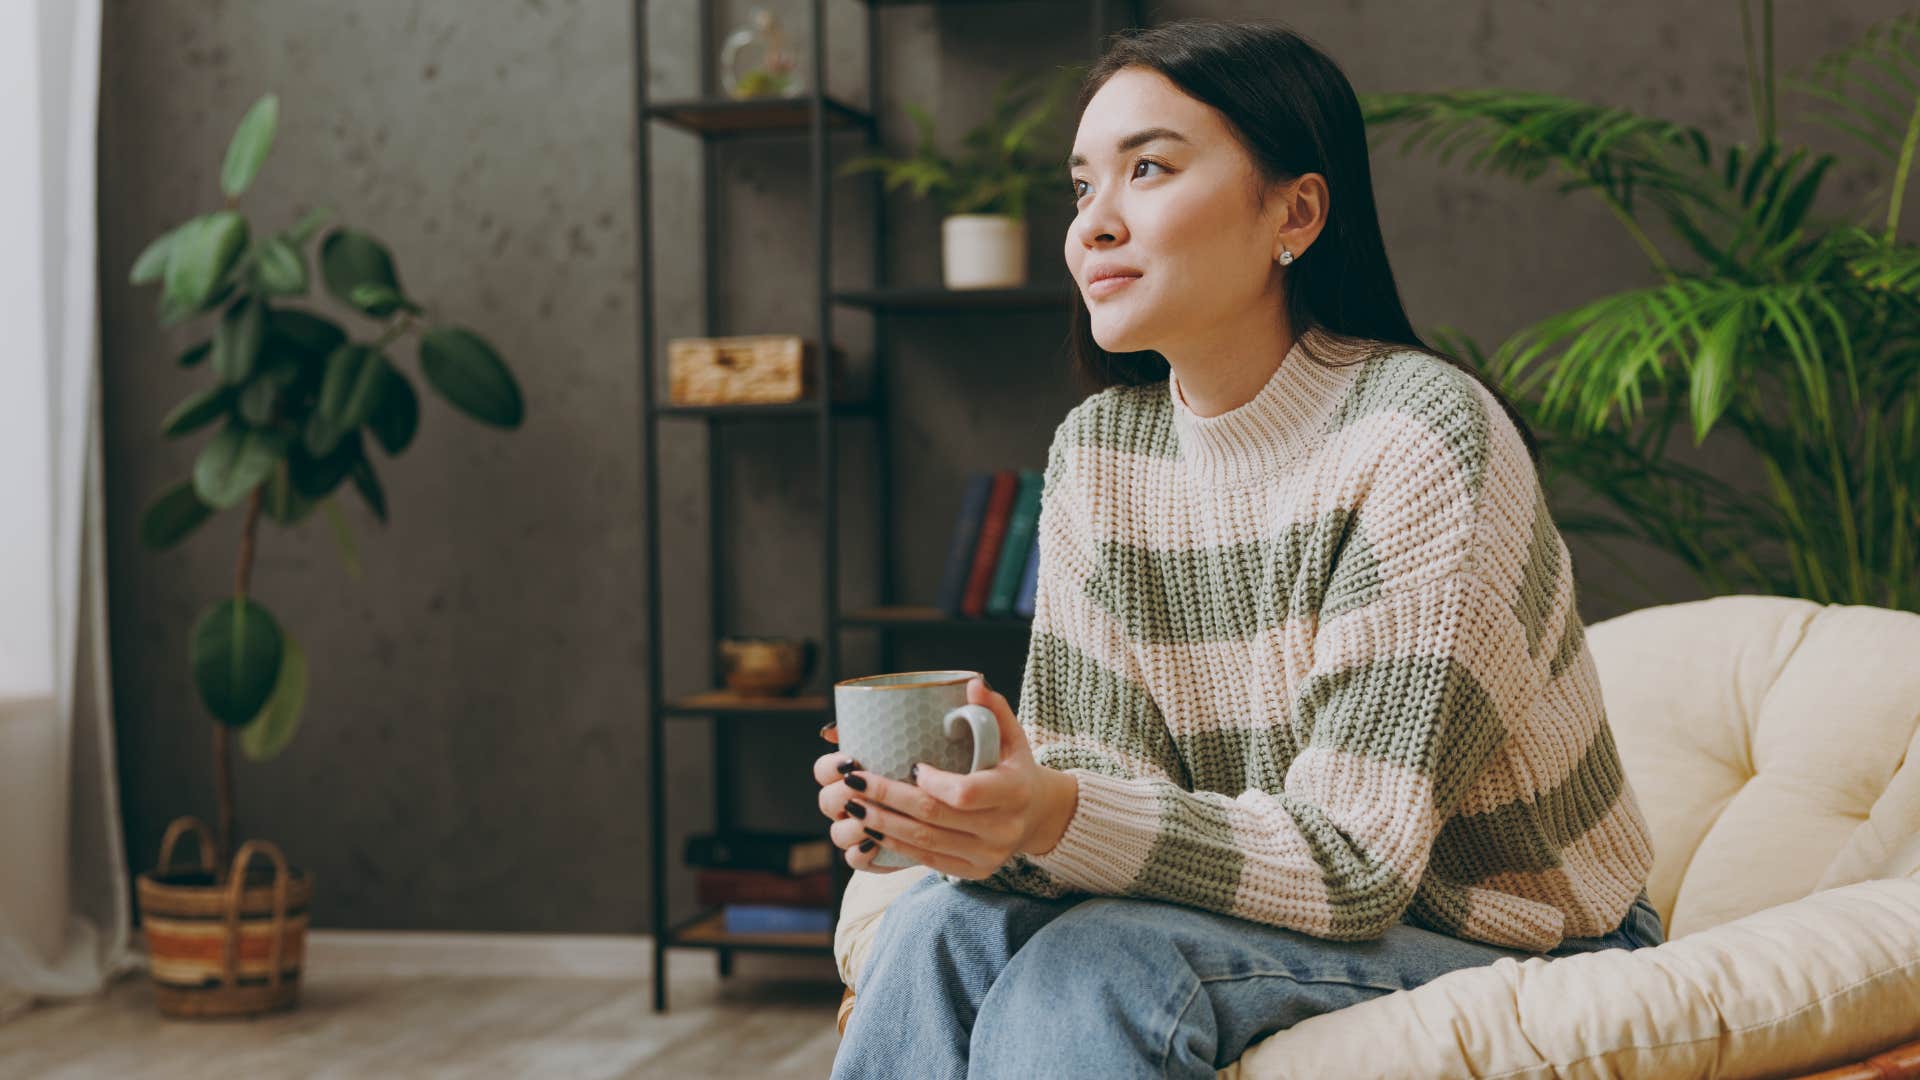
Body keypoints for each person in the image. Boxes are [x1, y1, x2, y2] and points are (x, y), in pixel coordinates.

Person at [817, 17, 1663, 1079]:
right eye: (1083, 188)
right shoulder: (1102, 452)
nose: (1093, 226)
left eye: (1150, 169)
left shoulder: (1420, 438)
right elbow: (1097, 775)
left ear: (1294, 211)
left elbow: (1358, 860)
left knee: (1100, 967)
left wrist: (1054, 812)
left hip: (1525, 933)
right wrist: (988, 828)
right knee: (936, 928)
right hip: (1275, 915)